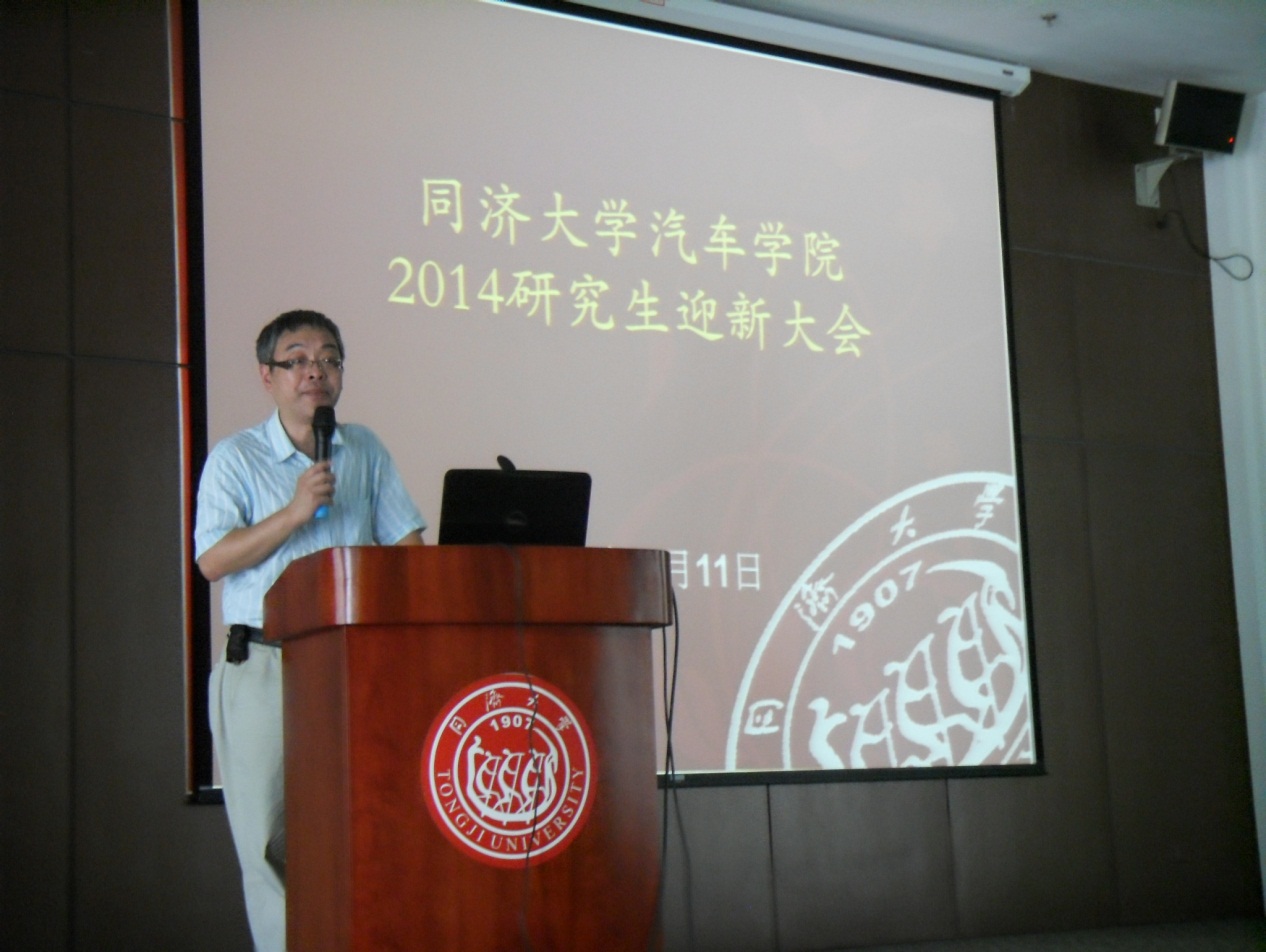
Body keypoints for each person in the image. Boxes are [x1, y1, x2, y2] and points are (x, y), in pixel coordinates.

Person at [195, 310, 426, 951]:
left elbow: (406, 547)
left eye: (328, 358)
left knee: (365, 827)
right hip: (264, 665)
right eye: (296, 359)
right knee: (271, 842)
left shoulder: (364, 449)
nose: (314, 371)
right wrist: (295, 512)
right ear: (267, 376)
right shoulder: (236, 458)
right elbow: (212, 560)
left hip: (355, 667)